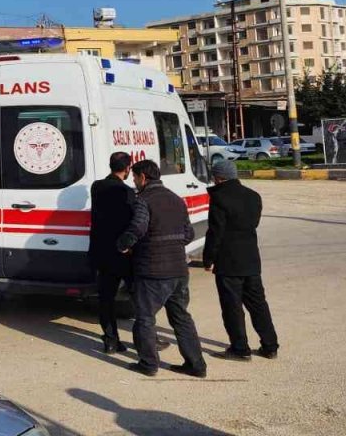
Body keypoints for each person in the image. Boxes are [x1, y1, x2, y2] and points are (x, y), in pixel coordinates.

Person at [116, 160, 207, 378]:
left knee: (145, 318)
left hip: (153, 271)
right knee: (181, 318)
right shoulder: (176, 199)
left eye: (135, 178)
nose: (134, 182)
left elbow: (138, 228)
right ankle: (196, 365)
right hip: (179, 270)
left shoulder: (144, 201)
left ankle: (148, 364)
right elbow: (188, 234)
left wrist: (122, 244)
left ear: (144, 178)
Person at [204, 159, 279, 361]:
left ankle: (240, 348)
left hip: (228, 262)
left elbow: (215, 232)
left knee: (232, 307)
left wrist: (208, 258)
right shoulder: (253, 196)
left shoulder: (219, 198)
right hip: (251, 259)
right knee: (258, 304)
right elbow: (253, 223)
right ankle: (270, 346)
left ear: (218, 177)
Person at [89, 152, 136, 353]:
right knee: (140, 296)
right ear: (127, 169)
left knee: (106, 298)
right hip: (122, 251)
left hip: (101, 250)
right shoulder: (127, 192)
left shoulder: (96, 186)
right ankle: (145, 338)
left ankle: (110, 339)